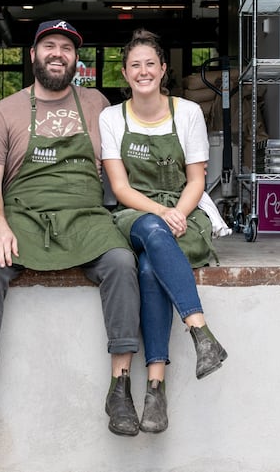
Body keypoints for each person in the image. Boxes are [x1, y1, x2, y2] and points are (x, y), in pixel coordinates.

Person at [0, 20, 142, 440]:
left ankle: (121, 388)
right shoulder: (5, 110)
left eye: (67, 49)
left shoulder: (98, 105)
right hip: (24, 215)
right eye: (49, 46)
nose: (58, 54)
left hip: (85, 215)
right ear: (33, 55)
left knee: (122, 262)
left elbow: (137, 140)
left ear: (76, 60)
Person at [99, 28, 230, 434]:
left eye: (149, 64)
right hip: (136, 212)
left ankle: (156, 390)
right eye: (135, 65)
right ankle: (201, 331)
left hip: (186, 207)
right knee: (154, 231)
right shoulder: (112, 117)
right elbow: (120, 189)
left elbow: (196, 180)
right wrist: (161, 211)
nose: (143, 71)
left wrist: (178, 212)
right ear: (125, 73)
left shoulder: (188, 112)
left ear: (162, 70)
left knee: (148, 269)